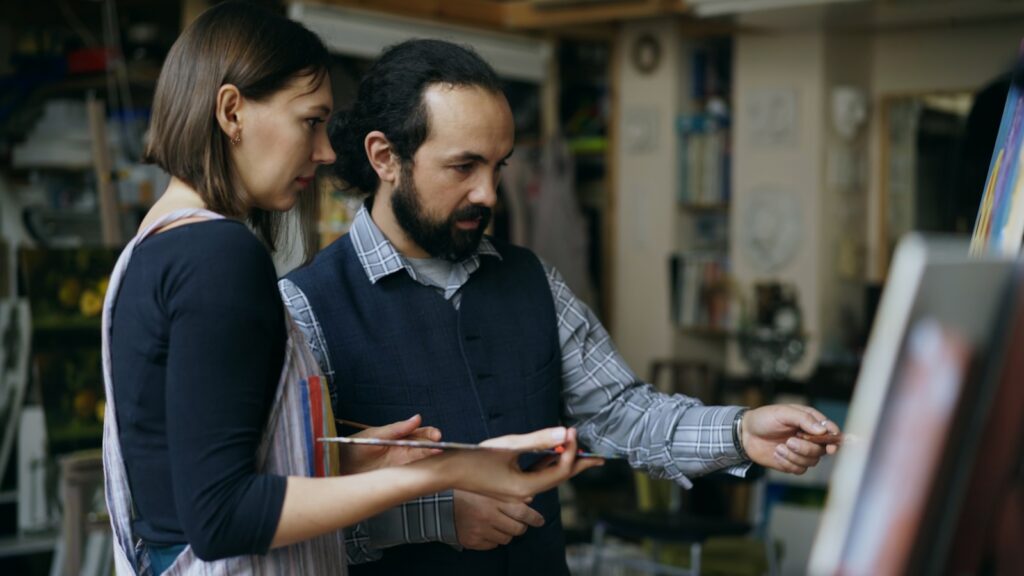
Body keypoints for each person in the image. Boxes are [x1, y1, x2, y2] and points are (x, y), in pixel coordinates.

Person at [280, 38, 841, 576]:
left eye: (497, 167)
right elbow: (278, 509)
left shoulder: (532, 280)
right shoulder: (305, 309)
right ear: (384, 157)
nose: (489, 194)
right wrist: (432, 516)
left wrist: (742, 431)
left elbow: (625, 415)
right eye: (463, 167)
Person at [103, 5, 599, 575]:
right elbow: (220, 517)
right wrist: (448, 470)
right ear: (232, 111)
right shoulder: (219, 256)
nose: (325, 152)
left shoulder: (150, 249)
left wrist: (342, 461)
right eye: (311, 121)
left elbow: (184, 485)